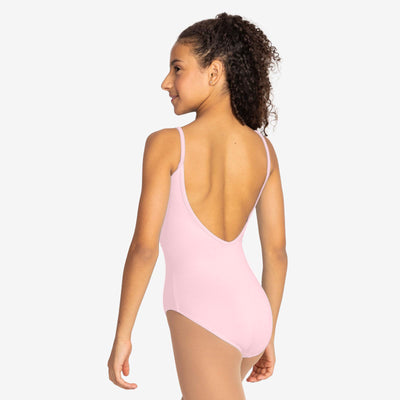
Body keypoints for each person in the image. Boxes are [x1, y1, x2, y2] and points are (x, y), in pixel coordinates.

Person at [107, 12, 287, 399]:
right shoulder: (264, 151)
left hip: (204, 313)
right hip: (253, 312)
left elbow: (144, 248)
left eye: (177, 68)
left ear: (214, 72)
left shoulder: (167, 144)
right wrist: (268, 331)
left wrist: (123, 334)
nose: (166, 82)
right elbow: (277, 253)